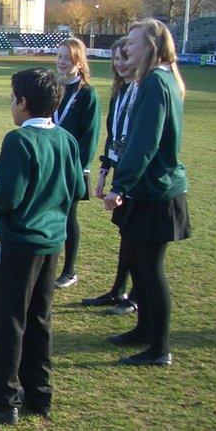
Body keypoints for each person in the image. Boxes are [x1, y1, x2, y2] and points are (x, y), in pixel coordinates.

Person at [0, 68, 85, 424]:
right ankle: (40, 394)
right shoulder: (66, 139)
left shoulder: (19, 140)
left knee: (10, 322)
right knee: (39, 319)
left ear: (23, 102)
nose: (10, 104)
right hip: (51, 245)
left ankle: (3, 400)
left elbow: (8, 196)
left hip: (19, 245)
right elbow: (78, 189)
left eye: (12, 97)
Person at [104, 18, 191, 367]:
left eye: (134, 43)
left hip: (156, 193)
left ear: (151, 47)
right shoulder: (159, 79)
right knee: (141, 267)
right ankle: (143, 331)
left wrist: (120, 185)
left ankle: (160, 347)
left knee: (151, 271)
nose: (128, 48)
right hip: (149, 190)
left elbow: (145, 142)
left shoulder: (157, 81)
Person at [82, 38, 138, 315]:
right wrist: (104, 172)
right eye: (116, 59)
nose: (120, 64)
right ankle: (118, 290)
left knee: (137, 237)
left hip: (136, 176)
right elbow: (113, 136)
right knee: (126, 234)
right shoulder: (120, 91)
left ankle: (135, 296)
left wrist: (122, 181)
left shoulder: (142, 92)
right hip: (120, 170)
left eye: (125, 58)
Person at [53, 38, 101, 288]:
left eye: (67, 58)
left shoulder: (87, 94)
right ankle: (48, 265)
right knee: (49, 216)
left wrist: (74, 168)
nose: (61, 62)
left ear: (79, 62)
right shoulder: (54, 88)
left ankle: (69, 271)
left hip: (71, 169)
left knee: (68, 218)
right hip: (50, 165)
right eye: (59, 56)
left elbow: (90, 138)